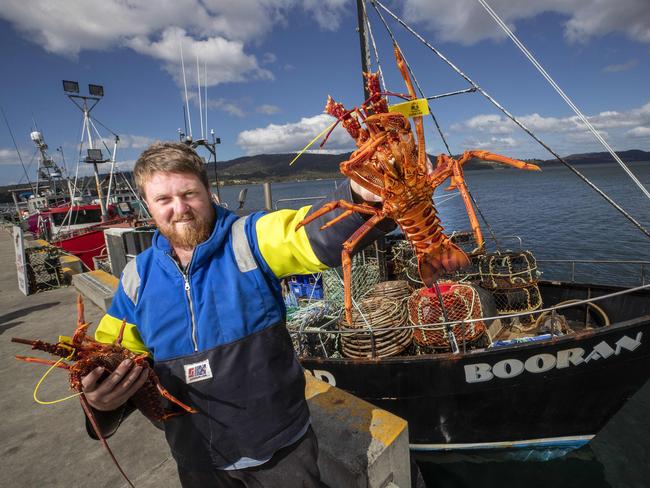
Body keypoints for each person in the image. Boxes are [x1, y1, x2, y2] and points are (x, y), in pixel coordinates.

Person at [80, 142, 390, 487]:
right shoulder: (136, 277)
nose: (179, 209)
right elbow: (109, 358)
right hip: (196, 460)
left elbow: (307, 234)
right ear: (148, 206)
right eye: (164, 200)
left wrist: (363, 196)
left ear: (208, 192)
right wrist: (99, 404)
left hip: (281, 451)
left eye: (189, 193)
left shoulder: (249, 238)